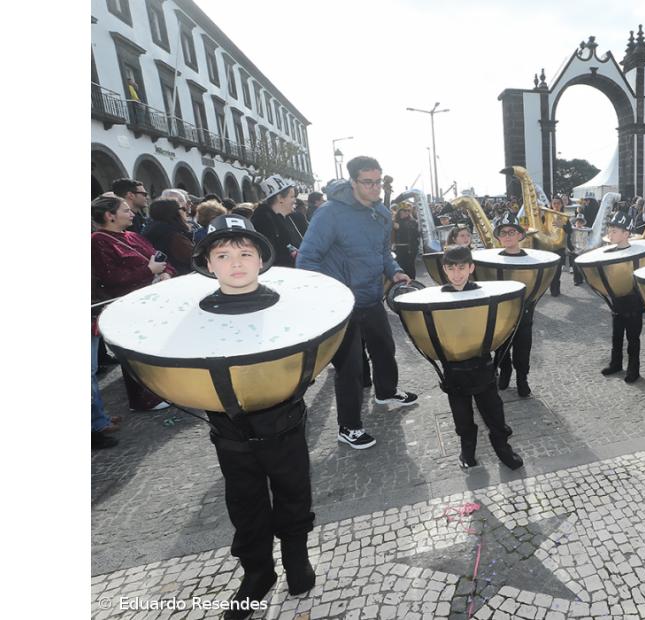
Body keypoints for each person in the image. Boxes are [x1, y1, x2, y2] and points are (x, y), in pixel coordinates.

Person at [189, 214, 318, 616]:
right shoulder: (197, 312)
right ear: (209, 264)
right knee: (244, 502)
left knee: (293, 490)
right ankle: (257, 572)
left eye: (246, 253)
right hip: (229, 429)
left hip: (283, 419)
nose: (236, 263)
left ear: (262, 259)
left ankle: (297, 558)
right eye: (223, 255)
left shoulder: (285, 304)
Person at [297, 156, 418, 450]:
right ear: (353, 182)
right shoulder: (329, 213)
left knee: (385, 349)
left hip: (370, 296)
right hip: (341, 304)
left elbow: (383, 252)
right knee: (350, 368)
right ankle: (348, 427)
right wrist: (328, 296)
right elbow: (306, 259)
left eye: (378, 180)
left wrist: (395, 270)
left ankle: (386, 392)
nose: (375, 187)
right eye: (368, 182)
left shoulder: (382, 213)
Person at [436, 245, 525, 470]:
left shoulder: (483, 294)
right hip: (454, 368)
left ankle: (502, 448)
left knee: (494, 412)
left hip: (481, 365)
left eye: (461, 268)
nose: (457, 274)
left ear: (471, 268)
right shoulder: (437, 298)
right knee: (462, 417)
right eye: (451, 268)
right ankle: (467, 450)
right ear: (444, 270)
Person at [91, 194, 174, 412]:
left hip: (154, 300)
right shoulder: (98, 241)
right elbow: (111, 278)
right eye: (126, 210)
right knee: (136, 353)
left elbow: (161, 260)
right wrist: (148, 271)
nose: (132, 213)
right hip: (128, 306)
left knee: (156, 349)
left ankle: (164, 389)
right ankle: (144, 399)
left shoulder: (133, 235)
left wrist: (166, 274)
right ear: (110, 216)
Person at [493, 213, 538, 398]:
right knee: (501, 346)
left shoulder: (532, 259)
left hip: (524, 311)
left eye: (512, 231)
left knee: (523, 347)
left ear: (520, 235)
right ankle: (505, 371)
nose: (508, 236)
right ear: (499, 237)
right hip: (501, 313)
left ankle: (522, 378)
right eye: (504, 232)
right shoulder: (493, 260)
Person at [599, 212, 645, 384]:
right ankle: (616, 363)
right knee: (616, 336)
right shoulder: (608, 252)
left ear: (626, 234)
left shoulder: (636, 253)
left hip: (633, 303)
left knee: (633, 338)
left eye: (614, 231)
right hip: (617, 302)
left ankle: (634, 369)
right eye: (609, 230)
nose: (610, 234)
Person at [251, 176, 303, 269]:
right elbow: (270, 256)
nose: (295, 200)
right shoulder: (263, 221)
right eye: (292, 197)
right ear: (280, 198)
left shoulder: (284, 218)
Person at [141, 198, 195, 274]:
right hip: (180, 277)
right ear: (174, 213)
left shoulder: (149, 231)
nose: (185, 211)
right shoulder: (175, 237)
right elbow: (195, 257)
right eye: (182, 208)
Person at [548, 196, 569, 297]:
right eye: (554, 203)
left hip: (560, 247)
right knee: (551, 270)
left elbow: (570, 230)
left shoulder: (565, 216)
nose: (556, 205)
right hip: (548, 247)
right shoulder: (546, 215)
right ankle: (553, 289)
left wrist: (563, 226)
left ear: (561, 205)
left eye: (558, 203)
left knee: (558, 270)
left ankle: (555, 289)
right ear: (551, 205)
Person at [392, 205, 420, 278]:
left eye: (408, 210)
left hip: (410, 249)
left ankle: (411, 285)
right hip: (399, 248)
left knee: (409, 269)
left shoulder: (412, 221)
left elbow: (401, 227)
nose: (407, 212)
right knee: (400, 268)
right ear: (400, 211)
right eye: (405, 210)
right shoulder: (396, 221)